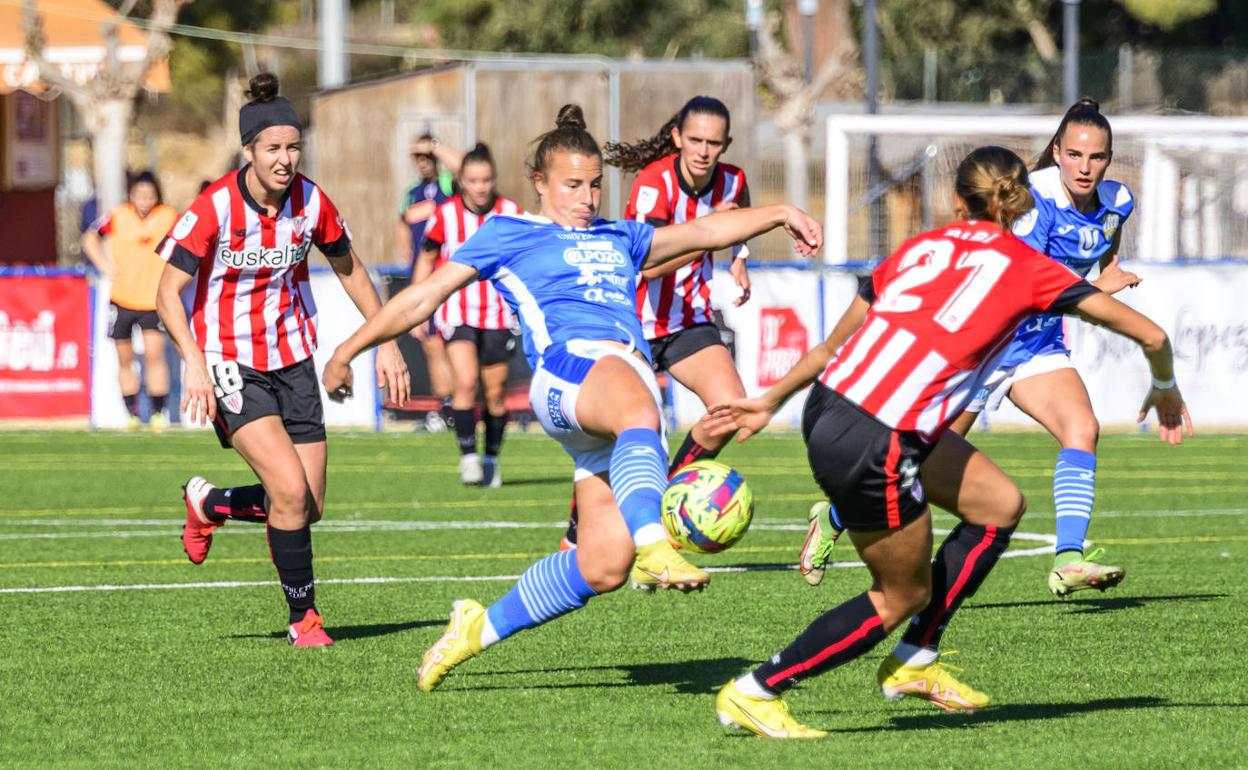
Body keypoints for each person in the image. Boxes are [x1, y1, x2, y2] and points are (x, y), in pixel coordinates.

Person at [321, 104, 821, 691]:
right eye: (572, 185)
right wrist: (346, 350)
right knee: (640, 405)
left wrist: (781, 212)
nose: (586, 198)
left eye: (593, 185)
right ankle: (656, 542)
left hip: (602, 396)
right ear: (540, 183)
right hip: (570, 369)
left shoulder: (619, 236)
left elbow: (707, 231)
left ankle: (476, 628)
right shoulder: (508, 234)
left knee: (603, 566)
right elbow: (421, 298)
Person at [705, 146, 1192, 738]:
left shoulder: (919, 250)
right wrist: (1165, 387)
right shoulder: (1030, 268)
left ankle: (916, 659)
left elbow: (835, 347)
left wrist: (767, 398)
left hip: (831, 406)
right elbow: (1151, 333)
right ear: (1024, 201)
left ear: (955, 200)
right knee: (901, 594)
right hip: (878, 436)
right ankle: (757, 690)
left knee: (999, 506)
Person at [154, 73, 409, 647]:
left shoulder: (312, 201)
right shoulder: (214, 205)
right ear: (248, 150)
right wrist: (193, 361)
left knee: (306, 505)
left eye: (293, 147)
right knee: (288, 493)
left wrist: (386, 339)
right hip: (229, 360)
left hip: (294, 358)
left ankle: (209, 502)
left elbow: (351, 270)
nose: (285, 159)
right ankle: (305, 620)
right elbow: (166, 293)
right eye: (273, 148)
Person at [947, 99, 1143, 597]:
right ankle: (835, 516)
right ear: (1056, 152)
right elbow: (1026, 287)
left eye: (1096, 157)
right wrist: (1097, 292)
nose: (1084, 166)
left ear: (1108, 158)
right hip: (985, 342)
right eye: (1074, 154)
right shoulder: (1034, 203)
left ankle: (1069, 559)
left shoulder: (1118, 199)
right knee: (919, 458)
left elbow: (1103, 238)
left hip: (1037, 343)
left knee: (1082, 428)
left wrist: (1106, 273)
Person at [560, 95, 753, 563]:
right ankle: (574, 533)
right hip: (635, 322)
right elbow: (645, 268)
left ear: (725, 144)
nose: (704, 151)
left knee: (730, 408)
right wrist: (710, 232)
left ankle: (667, 501)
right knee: (617, 432)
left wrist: (739, 256)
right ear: (676, 138)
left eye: (714, 143)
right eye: (695, 141)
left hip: (688, 321)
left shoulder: (734, 180)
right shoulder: (654, 183)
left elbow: (739, 220)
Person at [415, 142, 521, 486]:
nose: (480, 187)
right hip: (456, 311)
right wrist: (418, 308)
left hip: (498, 313)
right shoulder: (445, 214)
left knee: (496, 393)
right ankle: (468, 458)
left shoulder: (510, 212)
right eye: (473, 180)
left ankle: (491, 457)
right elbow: (427, 259)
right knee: (465, 381)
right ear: (461, 181)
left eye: (486, 180)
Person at [82, 171, 178, 431]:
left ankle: (158, 413)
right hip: (122, 298)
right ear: (132, 195)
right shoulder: (118, 215)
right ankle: (132, 414)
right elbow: (89, 237)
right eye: (140, 195)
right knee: (124, 358)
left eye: (149, 195)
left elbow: (187, 244)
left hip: (153, 300)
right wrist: (104, 266)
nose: (145, 200)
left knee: (154, 356)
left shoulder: (168, 217)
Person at [396, 135, 460, 432]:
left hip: (450, 279)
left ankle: (457, 406)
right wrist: (407, 255)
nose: (423, 163)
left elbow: (463, 167)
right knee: (432, 342)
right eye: (418, 158)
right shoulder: (412, 193)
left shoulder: (448, 185)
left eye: (427, 158)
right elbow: (402, 223)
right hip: (423, 280)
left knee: (456, 345)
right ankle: (446, 408)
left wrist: (434, 146)